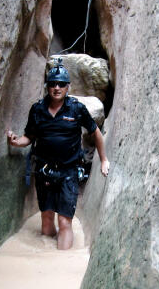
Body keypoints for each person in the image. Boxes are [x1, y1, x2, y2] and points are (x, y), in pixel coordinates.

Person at [7, 60, 109, 250]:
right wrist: (15, 142)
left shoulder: (76, 109)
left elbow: (95, 132)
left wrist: (103, 159)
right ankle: (47, 260)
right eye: (53, 83)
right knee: (46, 222)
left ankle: (62, 260)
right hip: (44, 171)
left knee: (64, 222)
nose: (56, 87)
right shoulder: (37, 109)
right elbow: (29, 137)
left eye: (61, 84)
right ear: (48, 86)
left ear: (67, 86)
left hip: (68, 172)